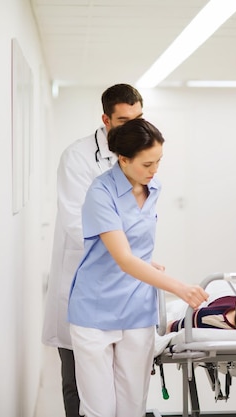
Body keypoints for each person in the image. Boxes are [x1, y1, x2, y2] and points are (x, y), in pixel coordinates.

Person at [67, 118, 209, 417]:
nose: (154, 170)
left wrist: (148, 263)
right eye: (147, 164)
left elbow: (134, 246)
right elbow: (124, 259)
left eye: (158, 161)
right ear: (123, 159)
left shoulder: (153, 187)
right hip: (95, 309)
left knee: (132, 406)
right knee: (100, 411)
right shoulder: (100, 193)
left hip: (136, 308)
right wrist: (180, 288)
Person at [41, 84, 144, 417]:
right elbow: (76, 222)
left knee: (121, 385)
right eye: (125, 119)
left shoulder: (141, 153)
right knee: (78, 385)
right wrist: (123, 250)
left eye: (139, 118)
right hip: (83, 283)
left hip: (123, 289)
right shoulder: (78, 157)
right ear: (106, 119)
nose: (134, 127)